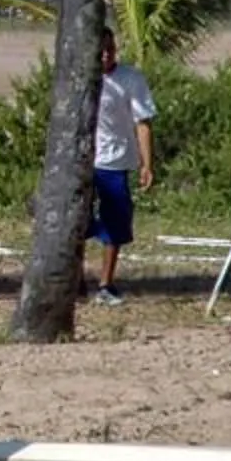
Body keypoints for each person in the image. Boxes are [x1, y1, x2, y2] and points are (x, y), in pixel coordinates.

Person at [86, 27, 156, 305]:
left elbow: (143, 122)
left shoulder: (130, 78)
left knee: (115, 223)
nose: (106, 55)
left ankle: (106, 284)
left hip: (114, 161)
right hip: (83, 161)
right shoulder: (82, 78)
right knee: (77, 222)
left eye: (110, 49)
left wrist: (146, 164)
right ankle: (73, 279)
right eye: (100, 50)